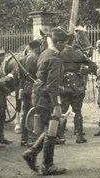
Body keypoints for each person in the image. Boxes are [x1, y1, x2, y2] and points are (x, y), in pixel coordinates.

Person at [22, 28, 68, 175]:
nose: (66, 46)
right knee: (53, 127)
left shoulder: (45, 53)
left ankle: (32, 152)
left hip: (39, 93)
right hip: (47, 96)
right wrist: (56, 105)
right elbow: (52, 85)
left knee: (50, 127)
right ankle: (47, 164)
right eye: (65, 43)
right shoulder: (55, 58)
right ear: (59, 43)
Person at [59, 43, 97, 144]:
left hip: (64, 85)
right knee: (77, 111)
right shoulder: (79, 54)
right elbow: (93, 66)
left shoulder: (60, 53)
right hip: (77, 86)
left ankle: (60, 136)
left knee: (63, 111)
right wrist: (83, 72)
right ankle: (79, 136)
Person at [19, 39, 42, 147]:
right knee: (33, 113)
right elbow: (39, 75)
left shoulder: (22, 59)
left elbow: (20, 76)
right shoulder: (36, 59)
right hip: (34, 88)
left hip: (25, 88)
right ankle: (32, 138)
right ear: (37, 48)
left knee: (25, 113)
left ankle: (24, 138)